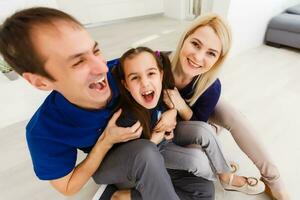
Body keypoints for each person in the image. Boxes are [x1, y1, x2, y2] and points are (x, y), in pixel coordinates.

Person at [0, 7, 214, 200]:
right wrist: (106, 141)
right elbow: (67, 187)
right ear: (41, 82)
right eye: (78, 62)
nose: (101, 68)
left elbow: (157, 71)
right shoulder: (44, 130)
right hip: (117, 163)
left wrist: (172, 111)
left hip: (151, 148)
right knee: (145, 152)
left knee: (204, 190)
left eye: (95, 51)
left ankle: (126, 196)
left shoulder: (121, 72)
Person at [164, 13, 290, 199]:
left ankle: (274, 179)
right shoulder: (157, 65)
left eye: (211, 53)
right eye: (195, 44)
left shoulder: (211, 85)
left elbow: (199, 124)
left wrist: (181, 106)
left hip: (193, 121)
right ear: (185, 38)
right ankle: (220, 165)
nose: (198, 57)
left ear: (218, 59)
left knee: (233, 116)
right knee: (196, 154)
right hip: (169, 132)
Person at [111, 45, 265, 197]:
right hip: (151, 153)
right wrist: (155, 138)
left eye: (151, 73)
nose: (145, 83)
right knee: (196, 161)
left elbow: (166, 110)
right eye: (135, 78)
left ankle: (223, 174)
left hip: (166, 139)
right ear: (126, 84)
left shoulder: (159, 91)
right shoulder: (127, 117)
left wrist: (171, 112)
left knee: (205, 130)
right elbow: (137, 157)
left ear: (160, 74)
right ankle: (215, 169)